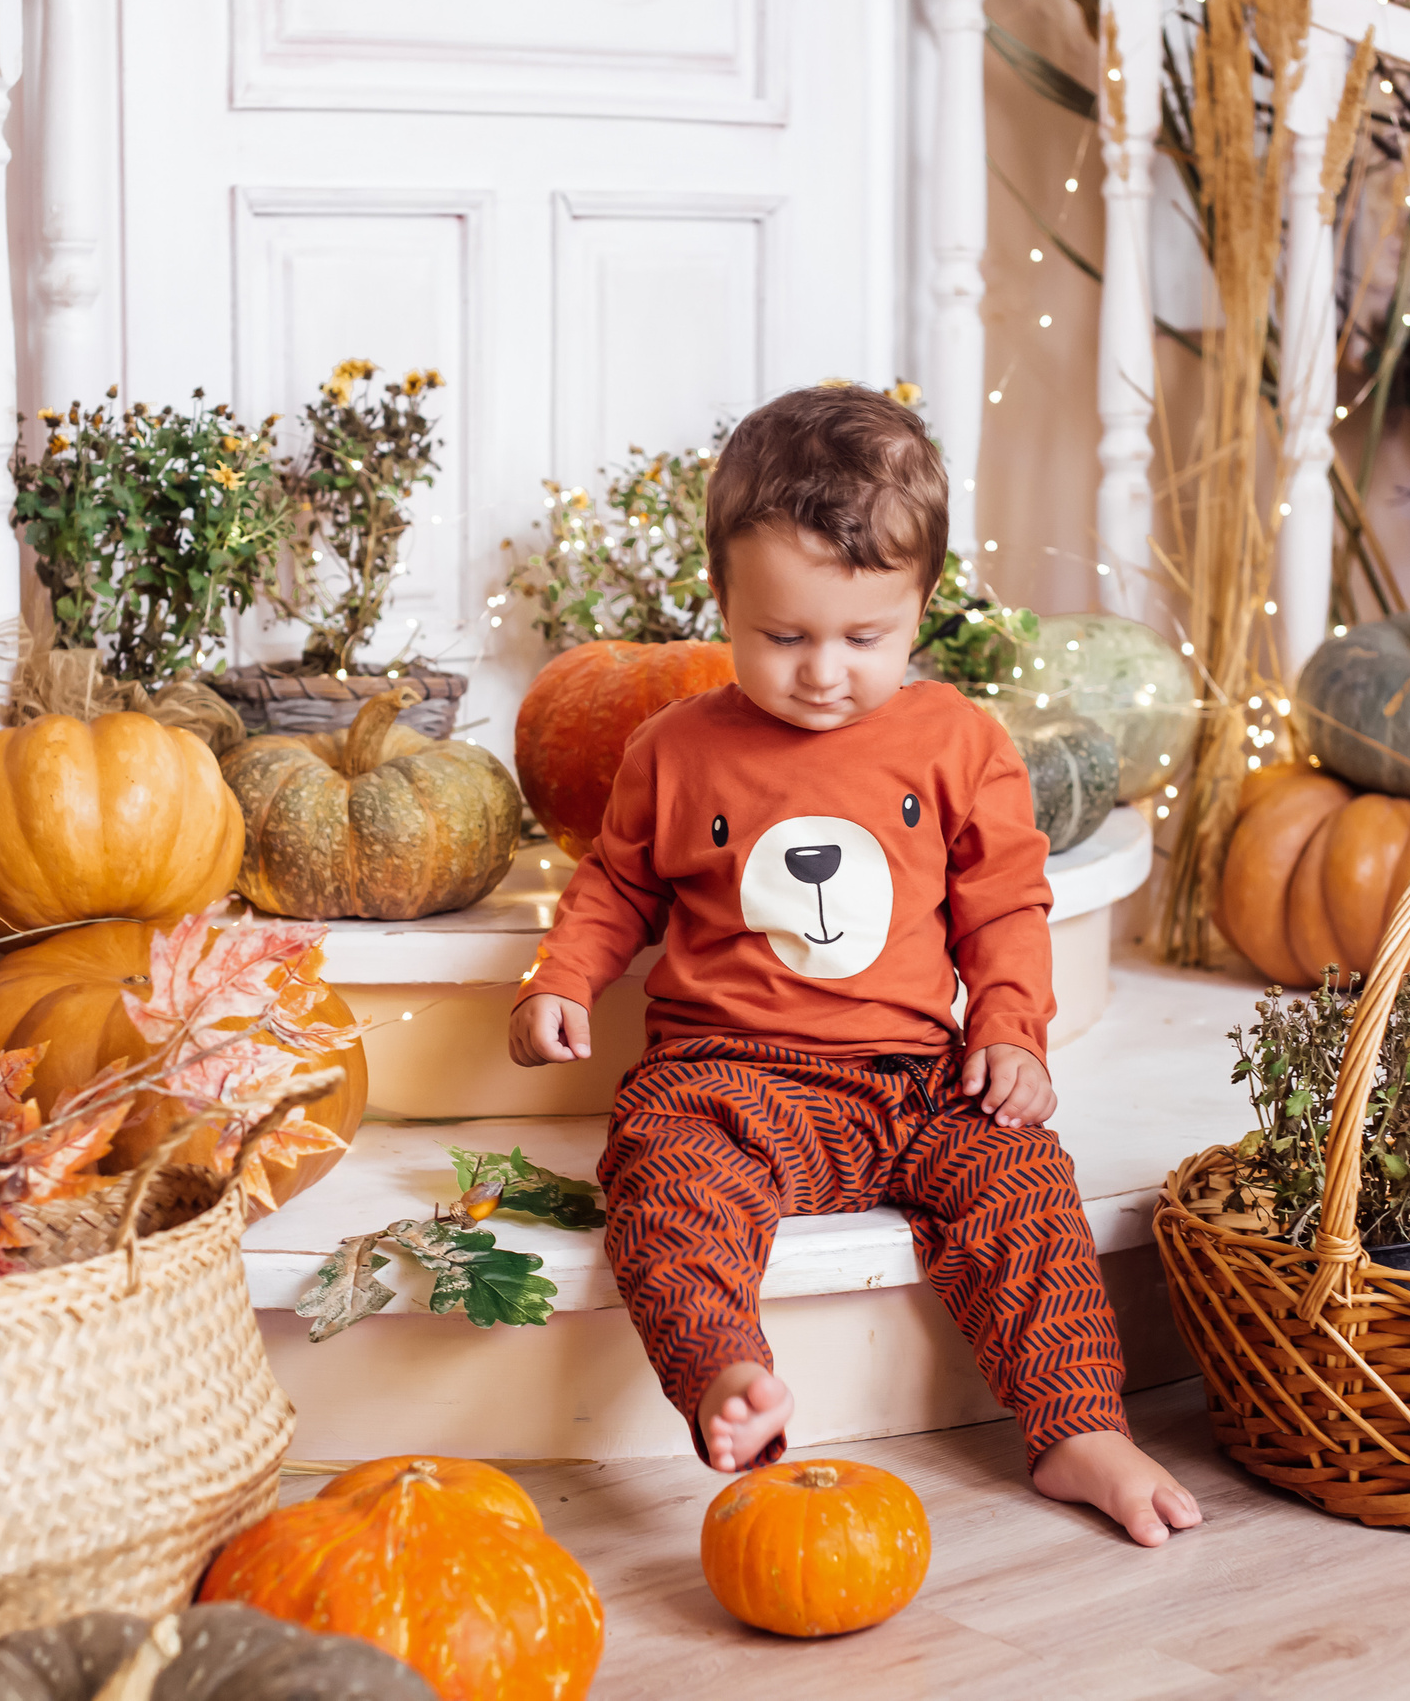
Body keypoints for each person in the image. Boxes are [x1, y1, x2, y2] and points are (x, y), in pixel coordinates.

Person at [508, 384, 1201, 1546]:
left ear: (919, 608)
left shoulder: (960, 744)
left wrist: (1011, 1034)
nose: (823, 671)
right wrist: (563, 981)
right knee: (662, 1185)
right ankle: (729, 1377)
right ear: (721, 601)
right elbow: (615, 886)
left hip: (918, 1080)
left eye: (862, 637)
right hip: (727, 1080)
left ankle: (1079, 1424)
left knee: (1024, 1184)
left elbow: (1002, 905)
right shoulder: (671, 750)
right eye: (783, 637)